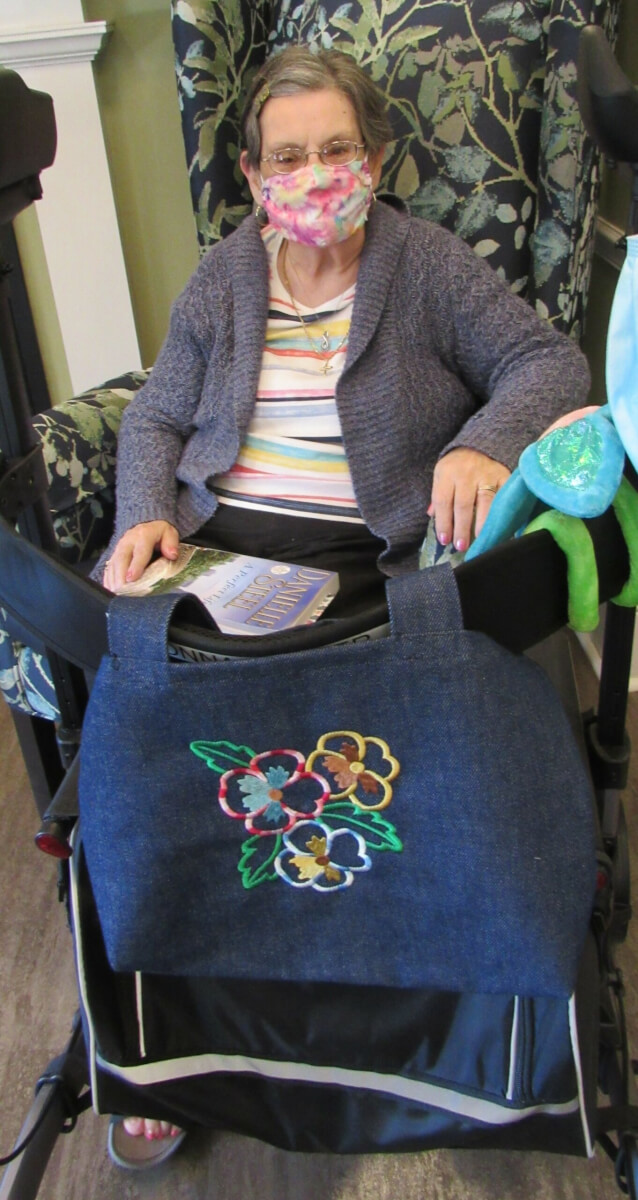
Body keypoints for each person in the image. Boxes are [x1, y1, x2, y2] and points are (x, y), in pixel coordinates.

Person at [99, 45, 591, 1165]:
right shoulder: (223, 279)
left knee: (418, 720)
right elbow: (155, 418)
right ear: (251, 171)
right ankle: (162, 1032)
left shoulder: (423, 264)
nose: (312, 173)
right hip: (224, 543)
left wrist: (477, 445)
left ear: (372, 159)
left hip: (373, 553)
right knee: (143, 709)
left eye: (333, 150)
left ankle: (443, 1030)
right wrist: (143, 513)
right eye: (287, 156)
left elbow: (545, 364)